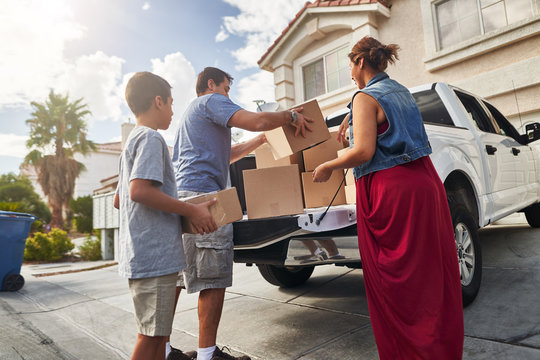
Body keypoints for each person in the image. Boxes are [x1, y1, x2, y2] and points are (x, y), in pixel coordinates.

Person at [312, 36, 464, 359]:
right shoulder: (403, 92)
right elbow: (385, 126)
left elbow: (364, 150)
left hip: (390, 194)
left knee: (397, 289)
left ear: (361, 62)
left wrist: (329, 164)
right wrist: (351, 119)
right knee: (429, 280)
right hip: (425, 185)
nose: (351, 75)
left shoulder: (363, 97)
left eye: (350, 68)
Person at [170, 67, 313, 360]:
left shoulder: (192, 115)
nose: (227, 96)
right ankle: (208, 356)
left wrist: (261, 140)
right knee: (214, 277)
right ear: (211, 84)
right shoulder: (211, 101)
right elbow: (258, 119)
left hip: (184, 197)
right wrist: (291, 116)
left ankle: (162, 349)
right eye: (226, 89)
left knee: (178, 278)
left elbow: (228, 155)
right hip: (206, 199)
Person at [114, 71, 218, 360]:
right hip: (154, 258)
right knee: (152, 338)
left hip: (140, 255)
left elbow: (119, 199)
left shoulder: (131, 142)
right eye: (171, 104)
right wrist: (190, 209)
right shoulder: (151, 139)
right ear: (158, 101)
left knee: (157, 337)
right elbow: (138, 192)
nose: (173, 112)